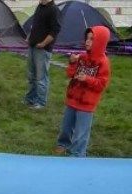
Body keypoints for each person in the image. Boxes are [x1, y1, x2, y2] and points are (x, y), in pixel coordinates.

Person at [55, 26, 110, 157]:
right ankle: (63, 144)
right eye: (87, 38)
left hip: (87, 104)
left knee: (81, 131)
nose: (87, 41)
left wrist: (87, 79)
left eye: (92, 39)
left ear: (100, 42)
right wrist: (73, 63)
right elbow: (70, 74)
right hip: (73, 99)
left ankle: (77, 152)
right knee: (66, 126)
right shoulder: (82, 57)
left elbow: (101, 84)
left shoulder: (103, 62)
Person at [23, 0, 61, 110]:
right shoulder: (39, 7)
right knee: (31, 75)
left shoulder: (54, 10)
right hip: (32, 46)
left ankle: (41, 102)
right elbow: (35, 25)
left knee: (41, 77)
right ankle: (30, 98)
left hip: (43, 49)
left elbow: (55, 30)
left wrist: (43, 43)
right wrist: (29, 37)